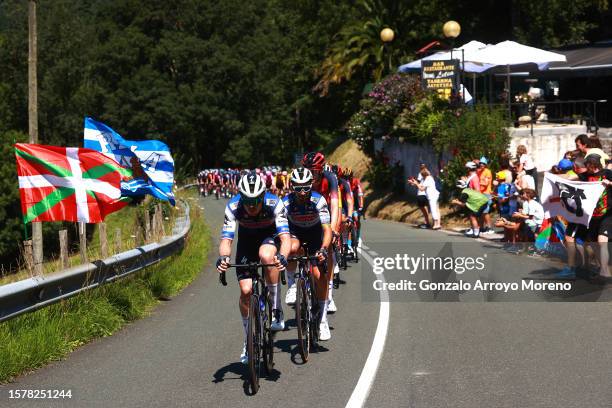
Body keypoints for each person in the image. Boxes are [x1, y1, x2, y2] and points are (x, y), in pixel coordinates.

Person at [216, 172, 291, 364]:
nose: (251, 206)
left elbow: (285, 239)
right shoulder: (233, 206)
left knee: (266, 256)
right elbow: (227, 239)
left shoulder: (275, 204)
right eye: (247, 201)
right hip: (247, 243)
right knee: (246, 290)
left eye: (256, 201)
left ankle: (276, 307)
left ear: (263, 196)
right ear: (241, 197)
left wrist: (282, 257)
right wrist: (223, 258)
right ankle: (248, 339)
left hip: (269, 237)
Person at [283, 168, 333, 340]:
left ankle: (323, 321)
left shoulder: (319, 201)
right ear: (292, 187)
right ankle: (291, 285)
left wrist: (324, 249)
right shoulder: (286, 203)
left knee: (319, 276)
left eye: (306, 187)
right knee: (291, 248)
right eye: (298, 188)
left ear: (311, 185)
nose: (303, 192)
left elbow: (327, 230)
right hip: (295, 233)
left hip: (315, 235)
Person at [301, 152, 341, 313]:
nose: (311, 176)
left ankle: (329, 292)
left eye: (315, 172)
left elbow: (335, 205)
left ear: (321, 169)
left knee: (329, 247)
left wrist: (333, 228)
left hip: (327, 216)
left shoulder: (330, 178)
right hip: (308, 216)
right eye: (308, 171)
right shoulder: (302, 178)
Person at [409, 163, 431, 229]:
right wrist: (413, 182)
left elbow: (419, 183)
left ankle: (427, 223)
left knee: (424, 209)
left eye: (423, 166)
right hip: (423, 193)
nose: (422, 167)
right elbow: (419, 182)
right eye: (421, 166)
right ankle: (427, 222)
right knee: (424, 209)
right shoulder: (428, 174)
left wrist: (414, 183)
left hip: (422, 193)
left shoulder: (424, 174)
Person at [477, 156, 494, 234]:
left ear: (486, 164)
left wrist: (477, 184)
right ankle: (481, 227)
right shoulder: (479, 171)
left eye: (483, 164)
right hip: (480, 194)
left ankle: (489, 227)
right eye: (480, 163)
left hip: (486, 194)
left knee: (485, 211)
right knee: (481, 212)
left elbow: (486, 183)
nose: (481, 165)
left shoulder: (488, 171)